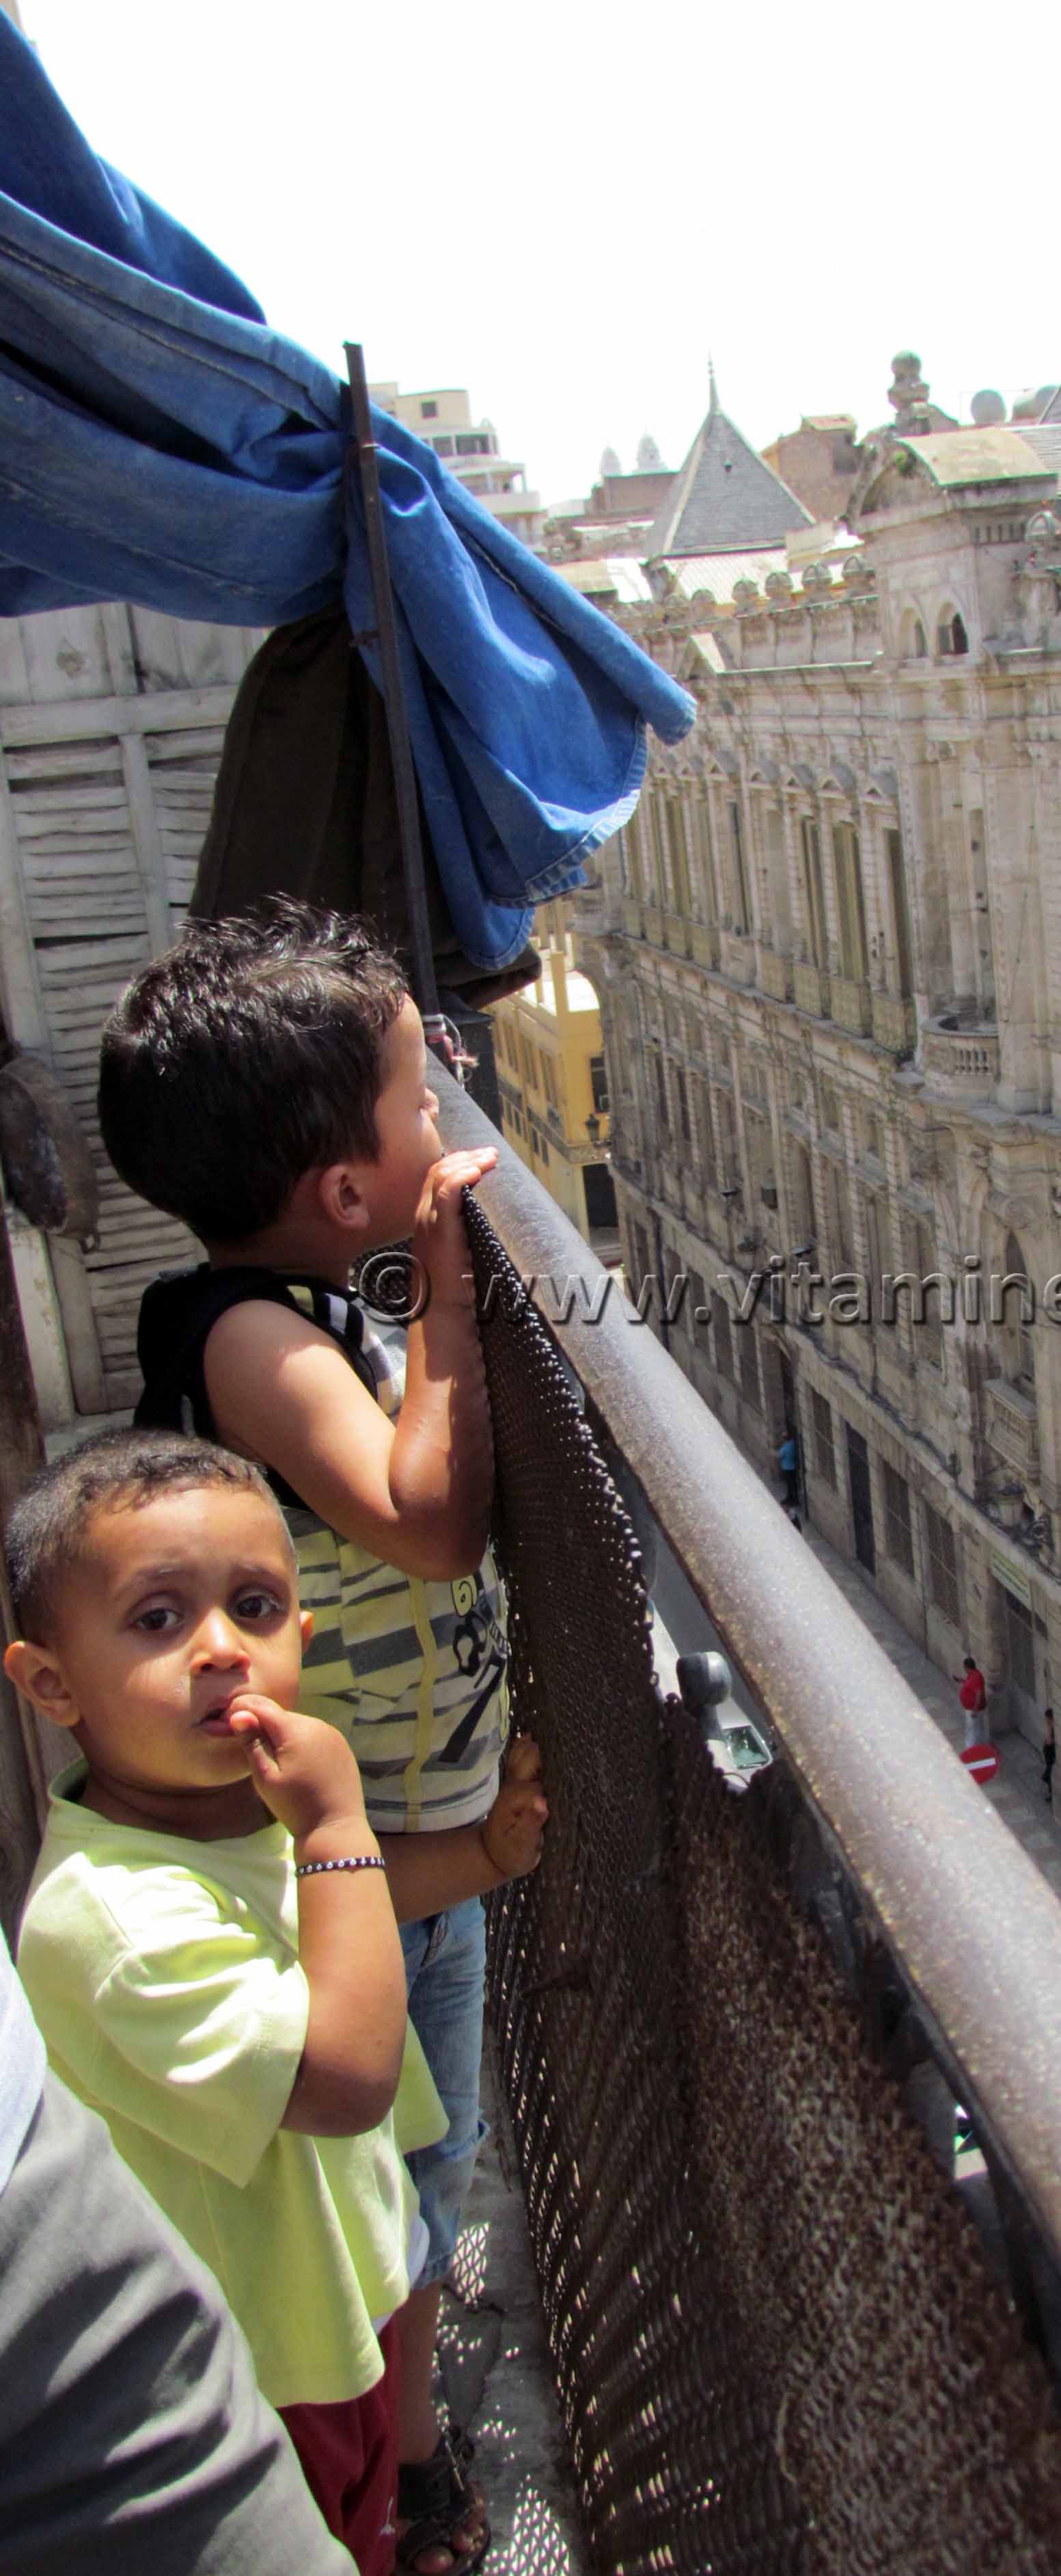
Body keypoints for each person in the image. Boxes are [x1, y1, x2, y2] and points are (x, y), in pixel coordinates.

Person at [98, 905, 549, 2574]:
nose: (450, 1113)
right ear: (349, 1191)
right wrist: (443, 1291)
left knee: (424, 2167)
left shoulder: (312, 1288)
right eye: (420, 1096)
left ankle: (409, 2454)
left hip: (396, 1847)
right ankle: (382, 2473)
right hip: (339, 1862)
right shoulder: (250, 1335)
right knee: (401, 2164)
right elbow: (427, 1524)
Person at [4, 1431, 470, 2571]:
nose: (222, 1647)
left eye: (255, 1605)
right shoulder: (114, 1918)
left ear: (300, 1637)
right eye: (158, 1618)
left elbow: (340, 1926)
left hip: (334, 2319)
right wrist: (338, 1825)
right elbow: (347, 2072)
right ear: (51, 1679)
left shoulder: (230, 1822)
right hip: (261, 2365)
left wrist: (448, 1853)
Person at [0, 1919, 358, 2576]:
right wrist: (333, 1836)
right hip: (292, 2355)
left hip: (340, 2307)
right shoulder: (111, 1931)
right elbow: (352, 2078)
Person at [959, 1654, 988, 1753]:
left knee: (972, 1731)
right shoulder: (973, 1675)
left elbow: (979, 1694)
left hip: (974, 1710)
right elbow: (970, 1684)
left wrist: (975, 1709)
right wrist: (961, 1681)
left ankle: (970, 1752)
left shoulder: (976, 1677)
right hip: (974, 1708)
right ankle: (981, 1749)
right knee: (978, 1730)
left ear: (967, 1667)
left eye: (964, 1667)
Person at [776, 1428, 800, 1510]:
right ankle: (794, 1499)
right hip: (793, 1467)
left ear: (784, 1439)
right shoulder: (793, 1444)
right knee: (794, 1484)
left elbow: (779, 1457)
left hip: (787, 1468)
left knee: (790, 1485)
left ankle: (790, 1499)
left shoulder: (785, 1448)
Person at [1041, 1706, 1056, 1804]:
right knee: (1048, 1776)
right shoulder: (1051, 1728)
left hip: (1052, 1757)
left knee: (1048, 1776)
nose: (1046, 1721)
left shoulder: (1053, 1728)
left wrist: (1050, 1727)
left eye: (1047, 1719)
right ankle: (1052, 1794)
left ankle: (1052, 1795)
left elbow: (1050, 1742)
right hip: (1049, 1757)